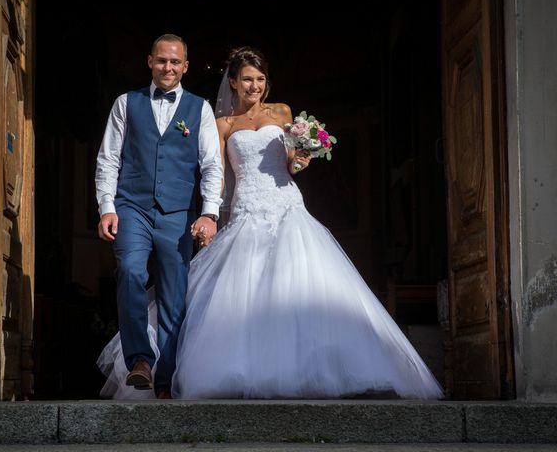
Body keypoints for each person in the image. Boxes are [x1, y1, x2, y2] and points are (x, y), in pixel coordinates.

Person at [169, 46, 444, 399]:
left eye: (261, 79)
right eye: (248, 79)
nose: (255, 86)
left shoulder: (281, 111)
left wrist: (302, 159)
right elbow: (221, 178)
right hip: (246, 209)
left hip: (286, 205)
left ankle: (314, 369)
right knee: (245, 293)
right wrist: (211, 215)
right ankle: (247, 372)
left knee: (297, 287)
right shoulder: (222, 125)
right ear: (233, 82)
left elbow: (291, 165)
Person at [95, 34, 223, 399]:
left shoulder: (199, 109)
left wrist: (210, 212)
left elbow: (212, 165)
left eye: (175, 62)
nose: (168, 67)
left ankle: (165, 381)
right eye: (162, 60)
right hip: (131, 206)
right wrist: (107, 207)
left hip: (178, 213)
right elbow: (108, 159)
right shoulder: (126, 103)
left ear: (185, 66)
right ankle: (140, 360)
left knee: (173, 294)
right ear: (150, 61)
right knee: (131, 272)